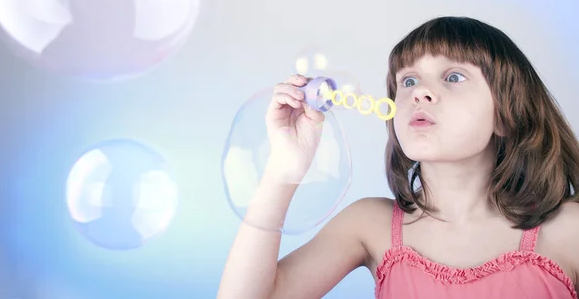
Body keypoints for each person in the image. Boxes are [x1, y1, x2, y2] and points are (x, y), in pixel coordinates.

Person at [217, 16, 579, 298]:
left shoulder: (569, 230)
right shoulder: (369, 225)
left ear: (506, 113)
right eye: (407, 81)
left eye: (453, 76)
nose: (420, 91)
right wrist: (284, 168)